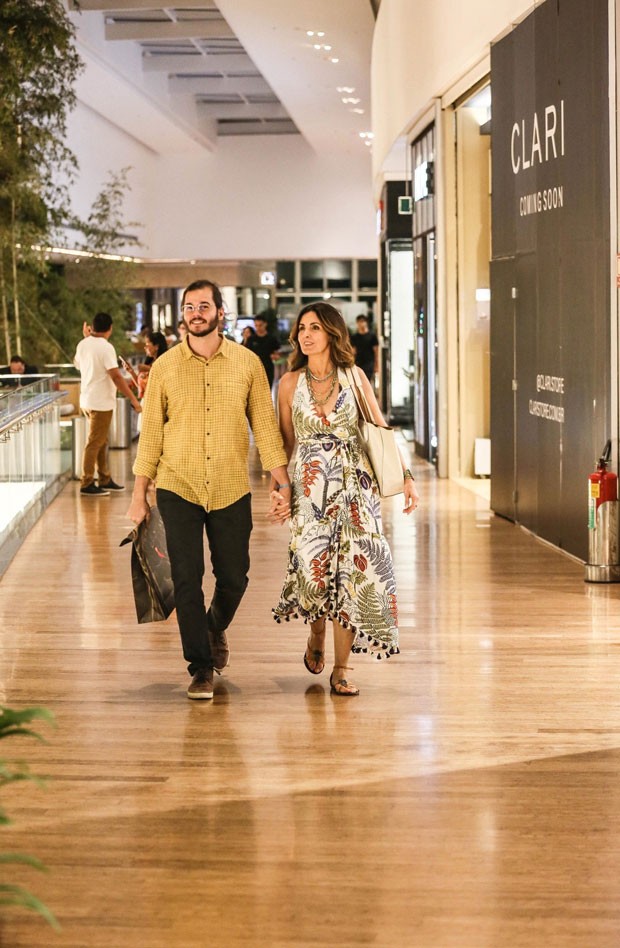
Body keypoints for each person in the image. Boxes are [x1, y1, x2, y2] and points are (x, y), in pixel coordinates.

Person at [126, 279, 290, 701]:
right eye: (189, 306)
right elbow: (151, 436)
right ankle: (200, 667)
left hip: (231, 486)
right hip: (177, 484)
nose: (196, 313)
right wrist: (138, 492)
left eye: (204, 305)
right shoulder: (163, 367)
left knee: (235, 577)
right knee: (186, 580)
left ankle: (213, 626)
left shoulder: (248, 363)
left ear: (220, 312)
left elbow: (266, 429)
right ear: (183, 314)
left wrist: (282, 482)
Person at [270, 301, 418, 696]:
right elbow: (285, 442)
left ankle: (342, 667)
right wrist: (279, 488)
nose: (305, 334)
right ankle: (316, 634)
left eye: (314, 327)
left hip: (356, 487)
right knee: (315, 572)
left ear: (332, 334)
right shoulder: (288, 385)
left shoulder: (353, 377)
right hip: (310, 488)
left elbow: (381, 428)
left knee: (353, 575)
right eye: (302, 327)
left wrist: (405, 476)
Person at [74, 312, 142, 497]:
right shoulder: (105, 348)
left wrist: (87, 339)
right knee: (95, 442)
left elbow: (78, 365)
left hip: (87, 400)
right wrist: (134, 400)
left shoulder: (83, 344)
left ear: (92, 327)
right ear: (109, 328)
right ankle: (87, 481)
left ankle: (104, 478)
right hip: (100, 402)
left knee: (101, 441)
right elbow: (116, 376)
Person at [246, 314, 281, 389]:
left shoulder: (272, 339)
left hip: (267, 369)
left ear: (265, 324)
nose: (258, 328)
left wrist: (275, 356)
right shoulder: (251, 339)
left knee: (267, 390)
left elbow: (277, 354)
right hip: (253, 370)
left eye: (260, 325)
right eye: (256, 325)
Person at [350, 314, 379, 383]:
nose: (361, 323)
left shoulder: (372, 336)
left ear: (366, 322)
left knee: (367, 382)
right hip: (358, 363)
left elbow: (376, 352)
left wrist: (376, 365)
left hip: (369, 364)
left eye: (362, 321)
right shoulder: (354, 337)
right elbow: (353, 352)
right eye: (359, 322)